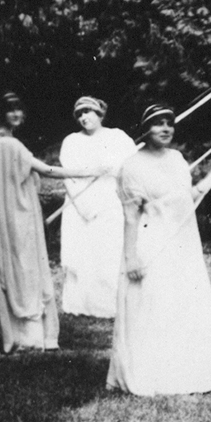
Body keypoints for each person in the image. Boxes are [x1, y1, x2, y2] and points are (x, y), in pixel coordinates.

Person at [107, 104, 211, 396]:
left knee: (184, 305)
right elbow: (130, 216)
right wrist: (131, 257)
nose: (165, 129)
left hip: (183, 246)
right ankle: (155, 376)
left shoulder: (176, 159)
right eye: (158, 123)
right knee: (155, 307)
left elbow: (186, 198)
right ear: (144, 130)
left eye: (169, 123)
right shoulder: (132, 166)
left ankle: (187, 376)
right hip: (152, 246)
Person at [0, 92, 104, 353]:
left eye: (19, 109)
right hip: (20, 215)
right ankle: (30, 335)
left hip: (3, 215)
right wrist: (89, 172)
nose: (16, 114)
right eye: (10, 110)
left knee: (14, 267)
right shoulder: (9, 145)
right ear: (1, 114)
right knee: (26, 268)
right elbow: (47, 170)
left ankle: (14, 332)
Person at [59, 96, 139, 318]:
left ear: (99, 114)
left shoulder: (118, 137)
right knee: (83, 252)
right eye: (80, 114)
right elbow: (68, 177)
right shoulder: (72, 141)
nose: (85, 117)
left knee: (108, 251)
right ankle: (82, 304)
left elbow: (132, 167)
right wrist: (83, 206)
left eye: (89, 112)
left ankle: (110, 305)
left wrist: (114, 169)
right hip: (80, 203)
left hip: (110, 201)